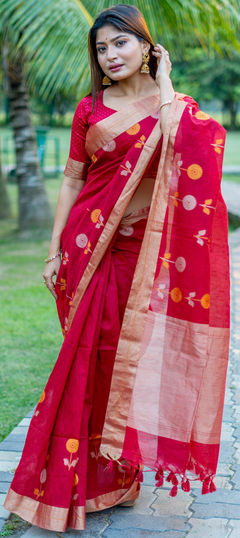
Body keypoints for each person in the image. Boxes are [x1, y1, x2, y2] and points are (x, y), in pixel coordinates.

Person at [4, 3, 230, 533]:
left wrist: (168, 84)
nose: (110, 56)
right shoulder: (90, 109)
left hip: (141, 258)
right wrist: (56, 249)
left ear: (146, 46)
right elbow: (72, 181)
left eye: (120, 43)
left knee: (123, 364)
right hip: (89, 251)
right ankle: (70, 481)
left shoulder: (174, 107)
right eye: (101, 49)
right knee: (87, 359)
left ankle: (119, 475)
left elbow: (195, 148)